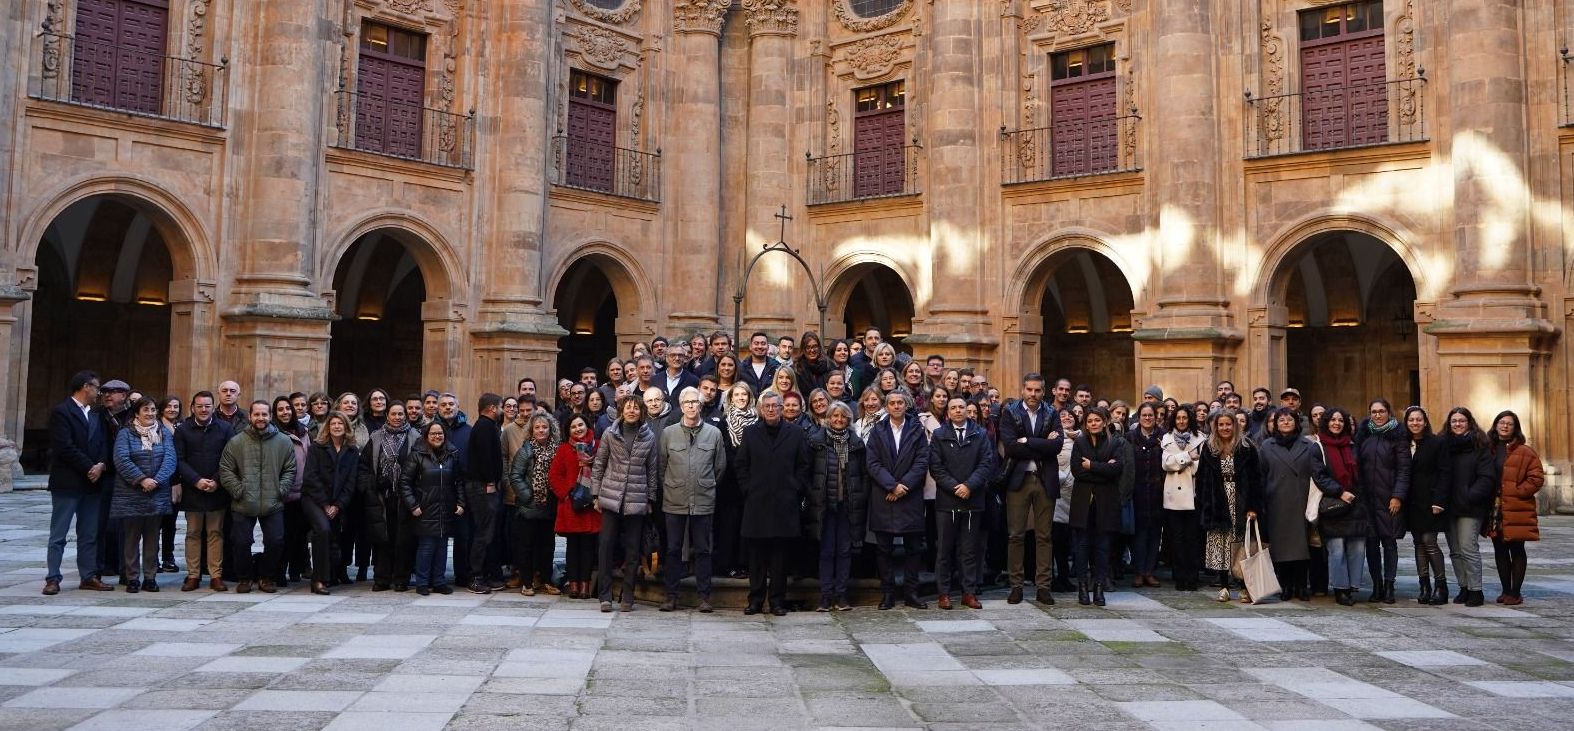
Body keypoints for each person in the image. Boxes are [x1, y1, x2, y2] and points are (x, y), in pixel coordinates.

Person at [734, 392, 811, 615]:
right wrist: (748, 488)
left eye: (775, 406)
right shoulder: (750, 433)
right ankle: (755, 600)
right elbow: (740, 465)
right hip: (757, 503)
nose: (770, 409)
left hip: (784, 504)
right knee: (756, 557)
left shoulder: (795, 433)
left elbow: (804, 465)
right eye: (766, 406)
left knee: (780, 558)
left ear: (781, 409)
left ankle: (777, 601)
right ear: (760, 409)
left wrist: (795, 487)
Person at [43, 372, 114, 595]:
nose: (99, 392)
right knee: (59, 533)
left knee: (89, 533)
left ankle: (88, 575)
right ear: (85, 387)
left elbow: (103, 442)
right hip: (68, 482)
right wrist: (89, 467)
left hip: (93, 483)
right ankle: (53, 577)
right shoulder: (62, 412)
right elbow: (64, 446)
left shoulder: (96, 414)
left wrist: (101, 464)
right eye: (97, 388)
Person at [658, 387, 726, 612]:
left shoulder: (714, 433)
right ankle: (671, 596)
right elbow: (661, 466)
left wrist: (704, 484)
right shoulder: (668, 433)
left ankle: (704, 597)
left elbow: (719, 467)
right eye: (686, 402)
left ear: (701, 405)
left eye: (695, 402)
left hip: (703, 498)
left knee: (704, 549)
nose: (691, 406)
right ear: (681, 405)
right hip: (674, 498)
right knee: (673, 549)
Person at [218, 401, 297, 594]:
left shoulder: (283, 441)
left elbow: (290, 468)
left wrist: (281, 489)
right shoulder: (237, 441)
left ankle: (266, 577)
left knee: (276, 541)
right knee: (241, 542)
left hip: (273, 501)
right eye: (257, 414)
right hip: (243, 502)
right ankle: (245, 578)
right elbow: (226, 469)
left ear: (270, 416)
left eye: (264, 414)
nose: (260, 418)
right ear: (250, 416)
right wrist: (238, 490)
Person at [998, 373, 1063, 605]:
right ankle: (1016, 586)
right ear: (1023, 390)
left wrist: (1028, 441)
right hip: (1019, 479)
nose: (1033, 394)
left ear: (1043, 391)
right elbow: (1012, 447)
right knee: (1015, 535)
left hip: (1044, 478)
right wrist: (1041, 443)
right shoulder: (1011, 412)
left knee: (1044, 535)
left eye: (1037, 390)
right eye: (1029, 390)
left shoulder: (1052, 412)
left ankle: (1043, 586)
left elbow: (1056, 446)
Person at [592, 394, 660, 613]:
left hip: (636, 499)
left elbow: (652, 470)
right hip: (611, 497)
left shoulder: (648, 437)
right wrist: (595, 495)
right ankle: (605, 596)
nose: (632, 411)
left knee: (632, 550)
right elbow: (599, 464)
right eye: (628, 408)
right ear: (621, 411)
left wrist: (650, 499)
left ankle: (628, 596)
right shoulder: (610, 434)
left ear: (642, 412)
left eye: (636, 408)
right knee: (606, 546)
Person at [866, 389, 930, 610]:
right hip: (885, 495)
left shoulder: (916, 429)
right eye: (892, 403)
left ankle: (912, 593)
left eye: (900, 402)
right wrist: (892, 485)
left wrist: (904, 486)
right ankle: (888, 594)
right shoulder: (877, 430)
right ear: (887, 406)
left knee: (913, 548)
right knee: (884, 549)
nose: (896, 406)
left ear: (906, 405)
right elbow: (872, 462)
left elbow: (923, 460)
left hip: (909, 496)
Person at [929, 396, 995, 610]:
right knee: (945, 550)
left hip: (972, 500)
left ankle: (969, 592)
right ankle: (944, 593)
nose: (958, 410)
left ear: (968, 410)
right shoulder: (939, 435)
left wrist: (969, 486)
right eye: (953, 408)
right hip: (947, 502)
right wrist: (955, 487)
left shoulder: (980, 434)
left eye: (961, 407)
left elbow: (986, 463)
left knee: (969, 550)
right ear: (948, 412)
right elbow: (936, 467)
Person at [110, 396, 176, 593]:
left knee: (152, 537)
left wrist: (156, 480)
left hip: (157, 492)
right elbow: (121, 459)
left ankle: (150, 576)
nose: (150, 413)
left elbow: (171, 458)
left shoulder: (163, 433)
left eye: (153, 410)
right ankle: (132, 577)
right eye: (146, 410)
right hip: (132, 493)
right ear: (137, 413)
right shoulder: (125, 433)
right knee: (131, 538)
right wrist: (141, 479)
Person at [1197, 408, 1263, 603]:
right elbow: (1201, 479)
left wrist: (1253, 506)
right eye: (1221, 424)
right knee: (1221, 545)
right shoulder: (1209, 449)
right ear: (1215, 427)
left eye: (1228, 424)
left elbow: (1256, 480)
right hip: (1217, 502)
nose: (1225, 428)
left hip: (1240, 502)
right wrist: (1204, 503)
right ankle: (1224, 586)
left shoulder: (1247, 448)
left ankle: (1244, 586)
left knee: (1241, 546)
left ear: (1235, 425)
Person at [1256, 407, 1321, 601]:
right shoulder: (1267, 446)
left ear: (1296, 423)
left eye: (1289, 419)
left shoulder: (1309, 446)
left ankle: (1301, 586)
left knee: (1302, 547)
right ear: (1275, 424)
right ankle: (1286, 586)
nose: (1285, 422)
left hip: (1301, 502)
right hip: (1277, 502)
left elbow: (1316, 475)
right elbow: (1261, 475)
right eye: (1281, 419)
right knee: (1281, 548)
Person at [809, 401, 867, 612]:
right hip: (825, 506)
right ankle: (825, 596)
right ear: (828, 418)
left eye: (843, 416)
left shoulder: (857, 444)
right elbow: (810, 475)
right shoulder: (817, 442)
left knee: (844, 551)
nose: (839, 420)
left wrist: (861, 498)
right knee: (826, 551)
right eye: (835, 416)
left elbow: (863, 476)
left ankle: (841, 595)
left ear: (849, 420)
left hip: (848, 506)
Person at [1070, 408, 1131, 606]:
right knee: (1082, 546)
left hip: (1106, 501)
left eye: (1097, 420)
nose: (1094, 423)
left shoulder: (1114, 442)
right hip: (1083, 502)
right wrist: (1104, 467)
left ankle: (1098, 588)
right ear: (1085, 424)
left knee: (1103, 546)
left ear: (1104, 422)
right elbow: (1078, 471)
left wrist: (1093, 466)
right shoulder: (1079, 442)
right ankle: (1082, 587)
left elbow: (1117, 469)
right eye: (1090, 421)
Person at [174, 391, 234, 591]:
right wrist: (196, 480)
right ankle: (193, 575)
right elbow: (179, 459)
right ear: (192, 408)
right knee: (193, 533)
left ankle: (216, 575)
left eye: (207, 406)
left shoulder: (225, 428)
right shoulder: (183, 430)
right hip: (193, 489)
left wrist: (216, 480)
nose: (203, 409)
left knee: (216, 532)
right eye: (199, 406)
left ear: (212, 407)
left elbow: (229, 459)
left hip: (217, 489)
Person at [1436, 407, 1496, 607]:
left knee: (1468, 548)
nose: (1458, 424)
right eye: (1454, 421)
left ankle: (1476, 590)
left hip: (1470, 507)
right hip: (1449, 507)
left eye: (1462, 421)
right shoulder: (1444, 445)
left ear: (1469, 423)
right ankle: (1463, 587)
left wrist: (1470, 495)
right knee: (1454, 550)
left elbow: (1487, 478)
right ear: (1449, 424)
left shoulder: (1480, 446)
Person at [1354, 399, 1410, 603]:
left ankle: (1389, 585)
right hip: (1367, 499)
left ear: (1389, 412)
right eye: (1373, 412)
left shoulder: (1398, 436)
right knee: (1371, 544)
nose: (1377, 415)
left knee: (1389, 542)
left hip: (1389, 499)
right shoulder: (1364, 435)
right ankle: (1376, 585)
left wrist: (1397, 496)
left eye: (1381, 411)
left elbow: (1404, 469)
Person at [401, 421, 465, 595]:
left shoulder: (452, 454)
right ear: (426, 436)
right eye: (433, 434)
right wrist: (413, 505)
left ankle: (438, 581)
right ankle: (422, 582)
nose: (437, 436)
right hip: (425, 509)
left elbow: (458, 481)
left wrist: (461, 502)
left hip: (445, 508)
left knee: (442, 547)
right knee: (427, 547)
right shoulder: (417, 455)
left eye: (440, 434)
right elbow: (405, 482)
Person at [301, 411, 360, 596]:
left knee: (333, 537)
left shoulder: (352, 451)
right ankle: (318, 580)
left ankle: (330, 574)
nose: (336, 426)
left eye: (340, 424)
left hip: (337, 503)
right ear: (328, 427)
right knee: (323, 530)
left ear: (346, 427)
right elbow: (311, 477)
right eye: (333, 423)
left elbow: (351, 482)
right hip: (314, 499)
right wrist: (326, 505)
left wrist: (338, 505)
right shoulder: (317, 448)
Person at [1313, 408, 1367, 606]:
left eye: (1341, 420)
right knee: (1336, 549)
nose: (1337, 423)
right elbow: (1319, 476)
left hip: (1356, 503)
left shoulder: (1353, 446)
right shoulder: (1318, 447)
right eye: (1333, 420)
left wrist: (1356, 493)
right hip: (1334, 504)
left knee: (1358, 548)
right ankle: (1340, 589)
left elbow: (1363, 473)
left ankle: (1353, 586)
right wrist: (1339, 492)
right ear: (1326, 422)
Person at [362, 401, 417, 592]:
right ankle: (382, 578)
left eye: (401, 414)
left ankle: (401, 578)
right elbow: (365, 465)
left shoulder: (415, 437)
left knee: (403, 539)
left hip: (405, 497)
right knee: (383, 539)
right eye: (393, 414)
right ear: (387, 415)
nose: (397, 417)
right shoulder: (376, 437)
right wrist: (373, 484)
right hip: (381, 496)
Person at [1489, 410, 1543, 606]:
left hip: (1517, 506)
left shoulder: (1525, 451)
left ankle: (1515, 592)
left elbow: (1536, 478)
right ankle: (1505, 590)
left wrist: (1518, 491)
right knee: (1499, 548)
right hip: (1494, 507)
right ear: (1495, 425)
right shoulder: (1489, 449)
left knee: (1517, 547)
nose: (1505, 426)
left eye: (1509, 424)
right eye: (1501, 422)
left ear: (1515, 428)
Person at [508, 413, 562, 596]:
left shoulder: (557, 449)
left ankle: (547, 580)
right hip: (529, 507)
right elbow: (515, 476)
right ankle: (527, 582)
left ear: (551, 429)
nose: (541, 430)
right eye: (537, 427)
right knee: (526, 547)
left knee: (547, 546)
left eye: (544, 427)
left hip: (549, 506)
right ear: (532, 430)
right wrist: (528, 496)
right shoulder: (526, 450)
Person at [1402, 406, 1448, 605]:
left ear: (1425, 421)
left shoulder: (1437, 443)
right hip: (1411, 502)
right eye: (1411, 420)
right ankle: (1424, 585)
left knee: (1429, 541)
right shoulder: (1403, 443)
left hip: (1430, 501)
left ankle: (1441, 586)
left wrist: (1439, 500)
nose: (1415, 423)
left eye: (1418, 419)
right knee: (1418, 543)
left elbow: (1444, 473)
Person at [460, 393, 504, 594]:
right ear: (493, 408)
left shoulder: (486, 426)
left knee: (488, 532)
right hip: (482, 487)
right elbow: (486, 458)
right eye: (501, 407)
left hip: (484, 485)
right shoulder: (485, 427)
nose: (502, 410)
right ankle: (475, 575)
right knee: (483, 533)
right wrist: (489, 482)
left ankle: (485, 573)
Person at [716, 383, 757, 578]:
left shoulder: (758, 421)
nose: (741, 398)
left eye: (745, 394)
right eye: (737, 395)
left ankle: (745, 564)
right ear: (730, 399)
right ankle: (728, 565)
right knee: (729, 526)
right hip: (730, 482)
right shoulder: (724, 423)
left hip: (751, 482)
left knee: (747, 524)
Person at [1160, 406, 1203, 591]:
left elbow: (1200, 466)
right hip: (1173, 496)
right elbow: (1166, 464)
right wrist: (1188, 457)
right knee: (1177, 539)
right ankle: (1180, 577)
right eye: (1178, 418)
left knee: (1192, 539)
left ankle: (1192, 577)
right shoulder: (1167, 438)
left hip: (1193, 495)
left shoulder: (1200, 438)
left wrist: (1180, 461)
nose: (1181, 421)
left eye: (1185, 418)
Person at [273, 397, 311, 587]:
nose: (285, 412)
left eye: (288, 408)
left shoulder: (304, 432)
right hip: (280, 492)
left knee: (299, 534)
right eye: (280, 409)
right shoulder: (271, 432)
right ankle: (278, 571)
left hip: (301, 491)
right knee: (281, 536)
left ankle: (296, 570)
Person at [1127, 402, 1165, 588]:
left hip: (1158, 492)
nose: (1148, 418)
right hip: (1137, 491)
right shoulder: (1130, 437)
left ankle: (1149, 571)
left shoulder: (1164, 438)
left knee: (1154, 533)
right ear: (1139, 417)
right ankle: (1139, 571)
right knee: (1139, 533)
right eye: (1144, 415)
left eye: (1151, 415)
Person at [155, 395, 183, 574]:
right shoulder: (155, 427)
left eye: (176, 406)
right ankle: (153, 559)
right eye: (169, 406)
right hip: (159, 481)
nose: (172, 409)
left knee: (170, 523)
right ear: (162, 408)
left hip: (176, 482)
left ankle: (168, 557)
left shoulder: (182, 427)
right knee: (155, 523)